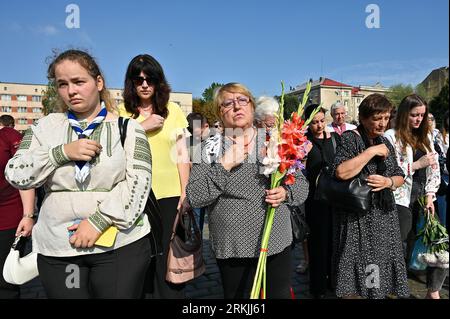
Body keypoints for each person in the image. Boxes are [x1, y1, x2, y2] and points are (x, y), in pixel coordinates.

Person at [5, 49, 153, 298]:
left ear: (98, 82)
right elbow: (16, 174)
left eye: (79, 81)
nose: (71, 91)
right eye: (62, 84)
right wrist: (60, 153)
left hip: (119, 243)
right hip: (58, 247)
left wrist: (98, 221)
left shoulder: (128, 128)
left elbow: (139, 183)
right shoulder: (43, 127)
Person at [186, 83, 309, 298]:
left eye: (242, 100)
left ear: (252, 107)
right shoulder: (210, 147)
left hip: (276, 240)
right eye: (227, 103)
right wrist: (223, 165)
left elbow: (301, 185)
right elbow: (195, 196)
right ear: (219, 112)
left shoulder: (276, 140)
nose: (236, 107)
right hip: (233, 246)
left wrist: (285, 193)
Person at [119, 54, 190, 299]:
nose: (145, 84)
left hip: (169, 195)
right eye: (138, 80)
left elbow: (182, 155)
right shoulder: (120, 113)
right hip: (134, 195)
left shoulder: (174, 111)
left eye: (150, 79)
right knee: (139, 256)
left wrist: (185, 193)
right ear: (131, 83)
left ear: (159, 81)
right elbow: (113, 152)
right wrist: (140, 126)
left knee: (168, 257)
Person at [331, 93, 409, 299]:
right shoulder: (350, 138)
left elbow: (399, 175)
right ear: (363, 118)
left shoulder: (385, 142)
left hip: (383, 216)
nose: (383, 123)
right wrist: (372, 151)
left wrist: (388, 182)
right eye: (377, 118)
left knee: (379, 265)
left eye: (386, 118)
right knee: (356, 269)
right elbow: (341, 172)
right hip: (357, 217)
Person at [385, 94, 445, 299]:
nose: (419, 119)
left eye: (422, 115)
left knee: (438, 244)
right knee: (397, 245)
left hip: (423, 196)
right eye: (414, 115)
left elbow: (435, 168)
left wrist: (430, 194)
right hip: (399, 197)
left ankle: (433, 290)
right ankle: (394, 286)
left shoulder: (427, 136)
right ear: (404, 114)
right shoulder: (392, 136)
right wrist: (416, 165)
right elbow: (389, 170)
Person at [302, 104, 340, 299]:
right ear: (308, 123)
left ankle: (333, 282)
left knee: (334, 242)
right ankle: (317, 287)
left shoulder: (334, 139)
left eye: (322, 121)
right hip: (314, 199)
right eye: (315, 122)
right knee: (317, 243)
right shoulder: (304, 141)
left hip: (334, 199)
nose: (319, 125)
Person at [0, 126, 34, 298]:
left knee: (5, 281)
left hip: (7, 218)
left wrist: (28, 215)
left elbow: (24, 174)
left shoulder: (8, 136)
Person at [186, 112, 209, 235]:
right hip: (195, 189)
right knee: (196, 226)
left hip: (214, 189)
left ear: (205, 126)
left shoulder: (216, 141)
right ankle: (196, 249)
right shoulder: (186, 142)